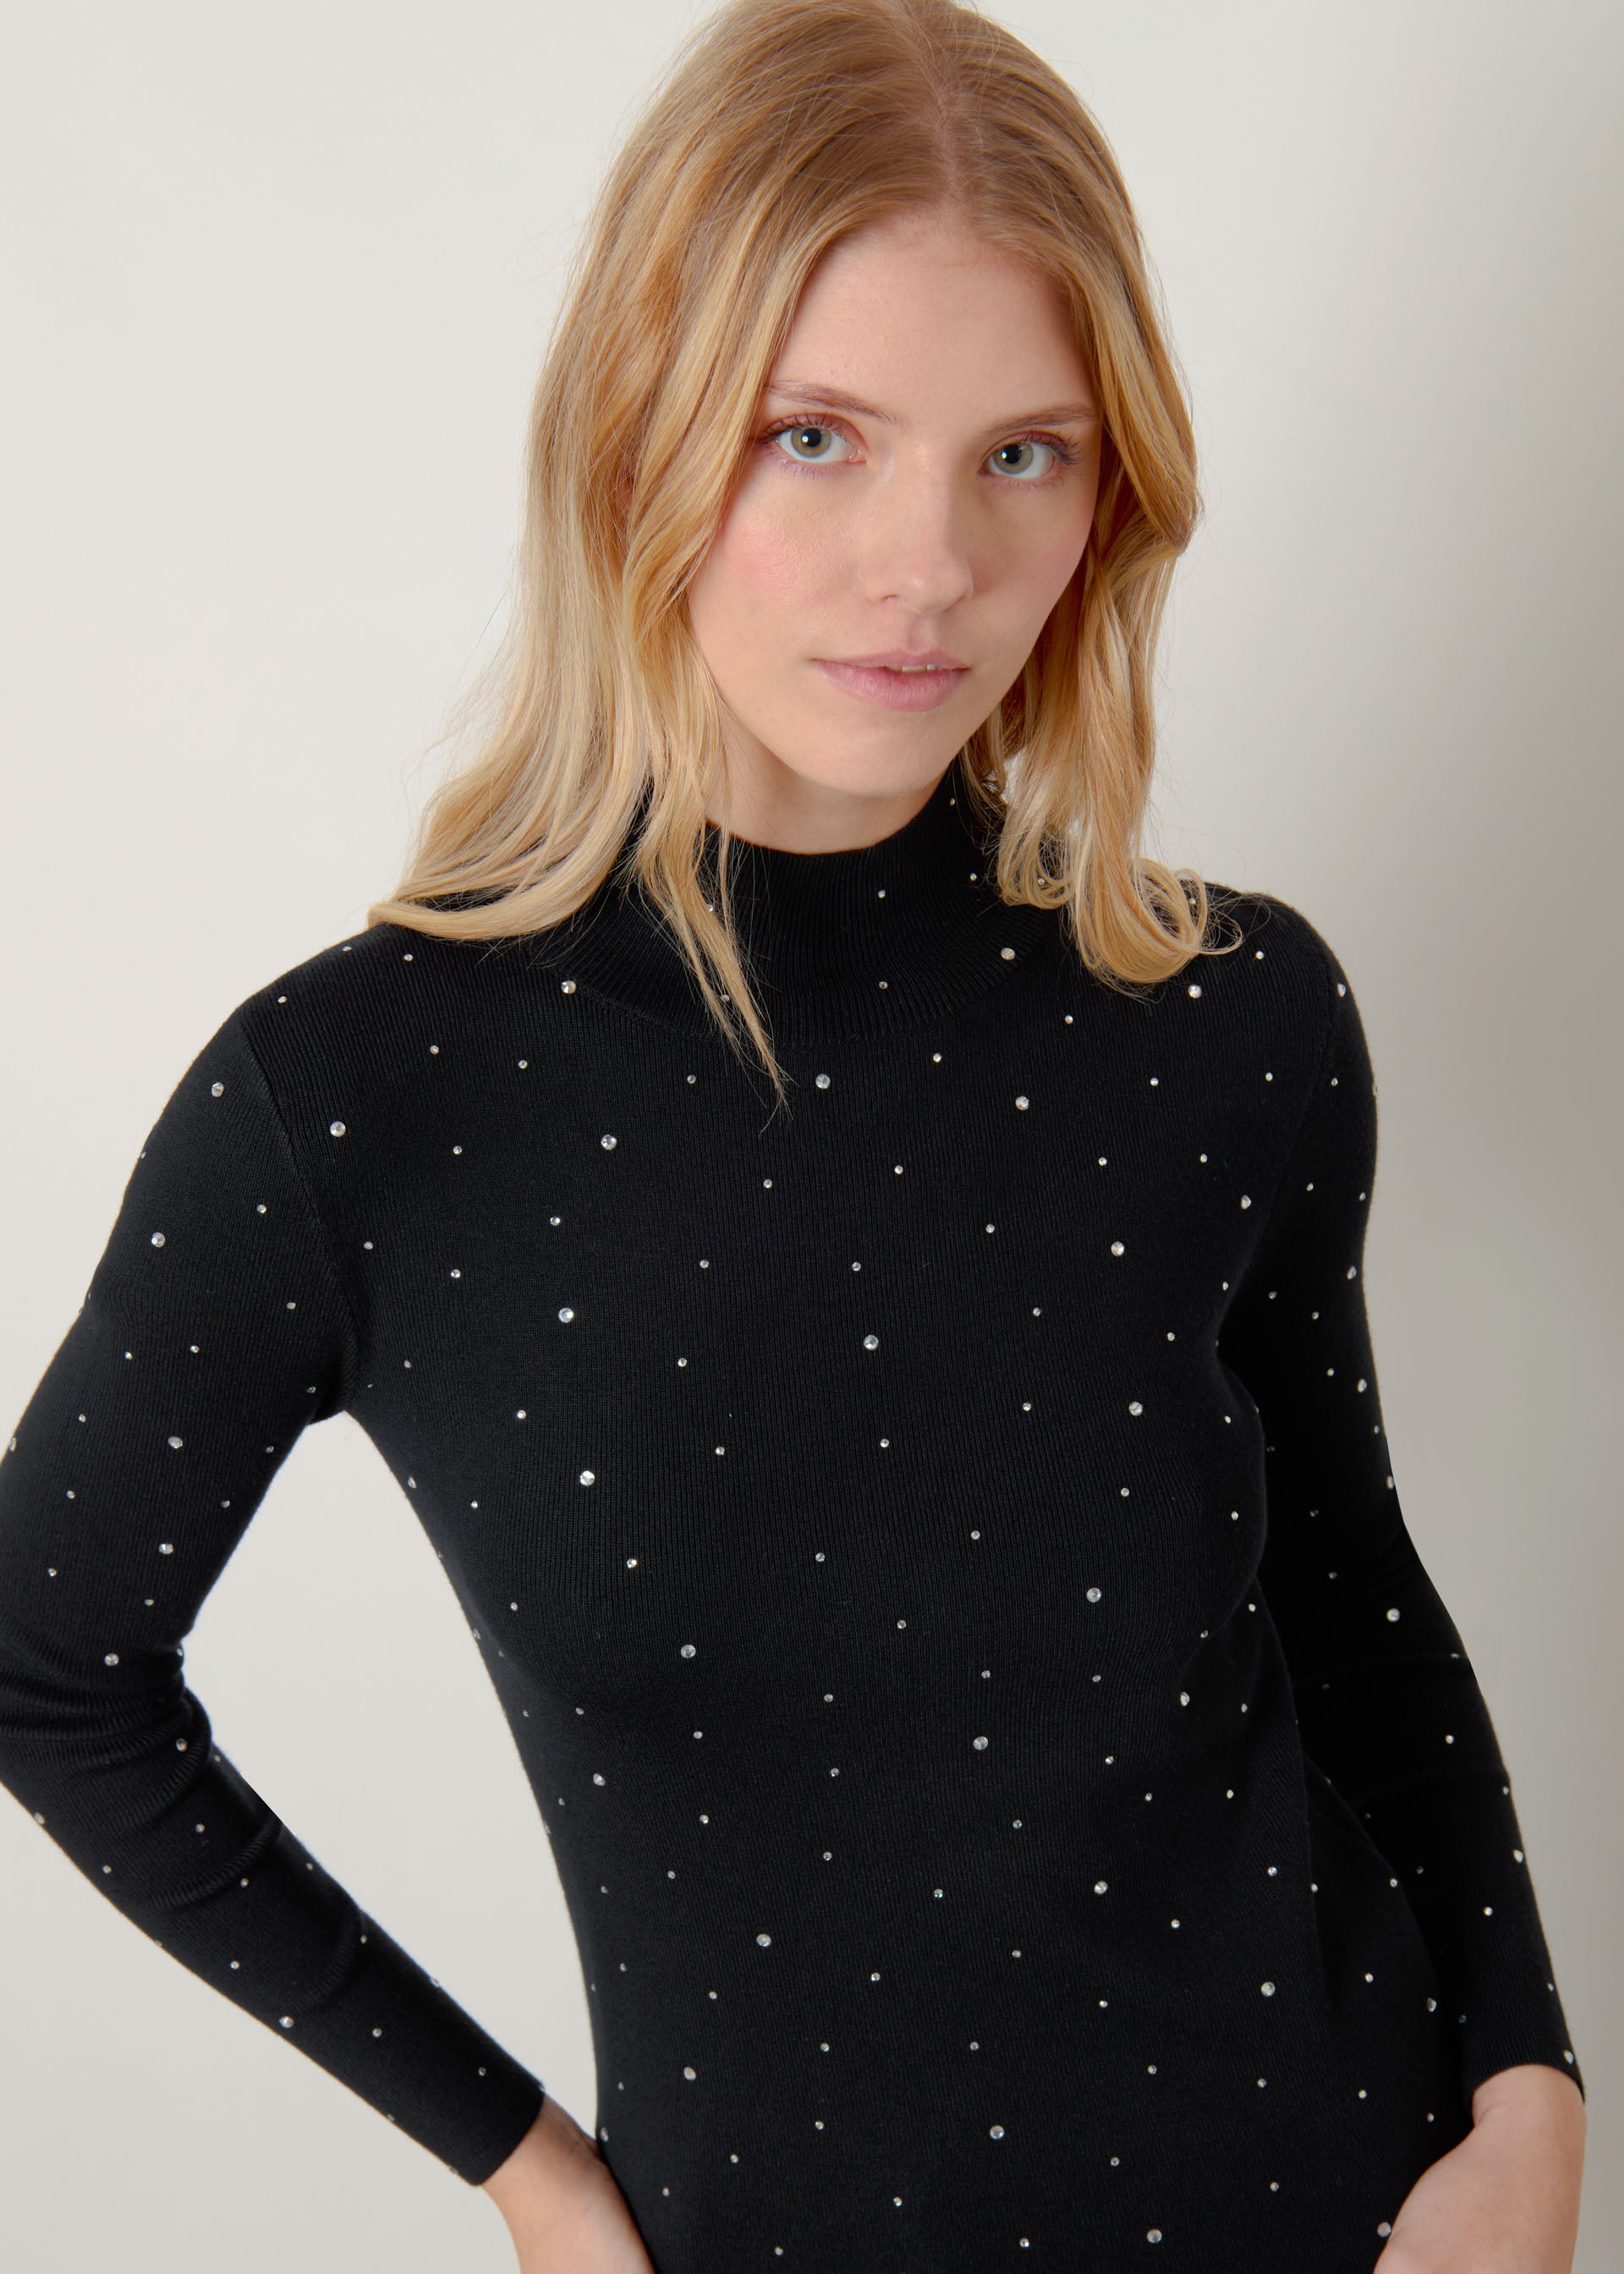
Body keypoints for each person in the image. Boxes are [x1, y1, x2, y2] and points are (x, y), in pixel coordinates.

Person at [0, 0, 1587, 2268]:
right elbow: (47, 1668)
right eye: (814, 436)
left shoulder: (1229, 1015)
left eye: (1022, 453)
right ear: (637, 436)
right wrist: (532, 2173)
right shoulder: (359, 1100)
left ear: (1113, 490)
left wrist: (1529, 2095)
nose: (926, 565)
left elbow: (1353, 1597)